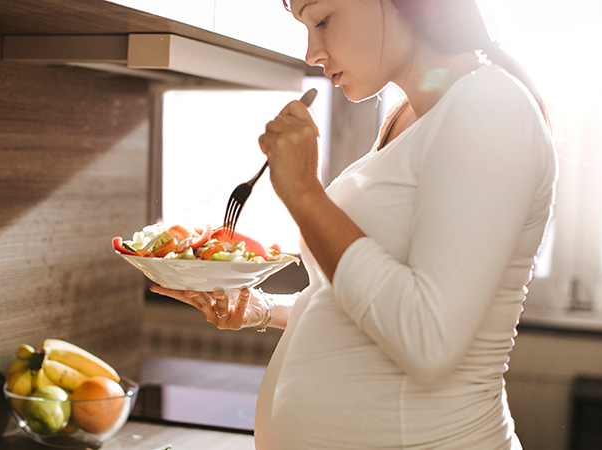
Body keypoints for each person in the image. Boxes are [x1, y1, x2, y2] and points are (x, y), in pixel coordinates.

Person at [150, 0, 557, 448]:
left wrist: (305, 194)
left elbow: (427, 337)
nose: (311, 52)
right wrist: (262, 309)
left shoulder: (490, 107)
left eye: (322, 20)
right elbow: (355, 303)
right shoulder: (407, 118)